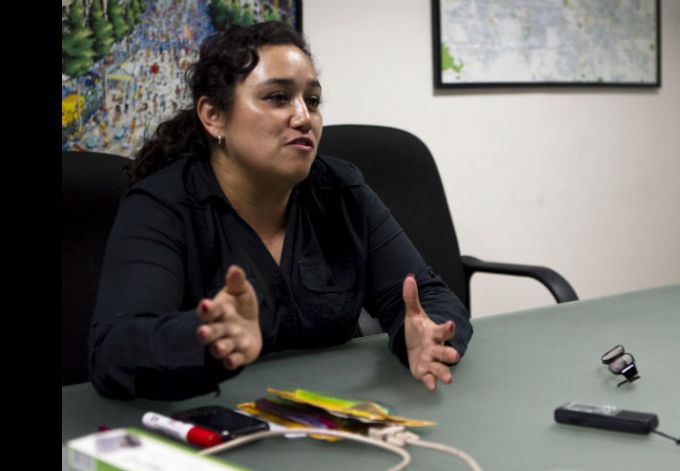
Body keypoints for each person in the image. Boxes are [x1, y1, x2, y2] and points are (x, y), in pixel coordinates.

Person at [89, 22, 473, 400]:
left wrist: (427, 334)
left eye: (313, 100)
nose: (303, 117)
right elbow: (114, 350)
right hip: (212, 434)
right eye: (277, 97)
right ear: (213, 116)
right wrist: (207, 338)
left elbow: (424, 297)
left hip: (332, 421)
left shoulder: (341, 189)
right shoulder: (163, 203)